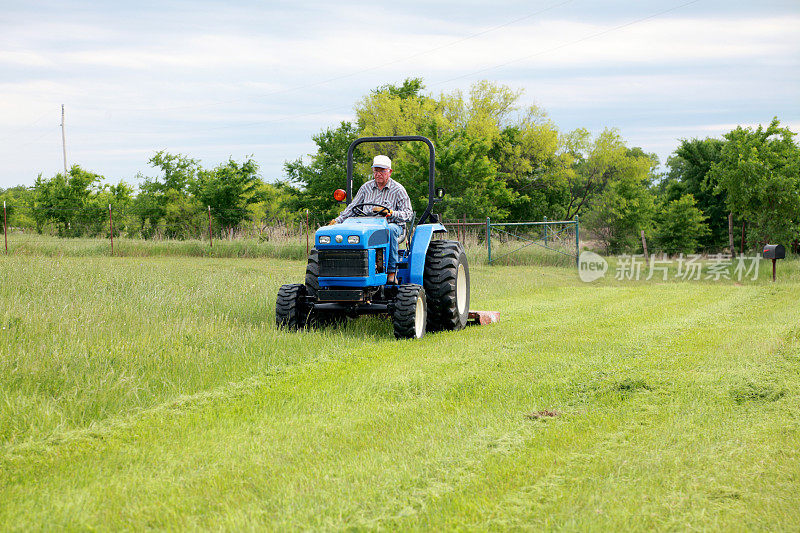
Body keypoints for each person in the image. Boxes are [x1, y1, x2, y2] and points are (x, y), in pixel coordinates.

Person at [328, 154, 413, 283]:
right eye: (376, 170)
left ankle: (391, 272)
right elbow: (353, 207)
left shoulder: (398, 190)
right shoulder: (365, 188)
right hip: (366, 224)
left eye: (382, 171)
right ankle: (345, 271)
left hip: (392, 225)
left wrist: (391, 213)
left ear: (389, 172)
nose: (378, 174)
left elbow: (408, 214)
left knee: (389, 230)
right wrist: (337, 221)